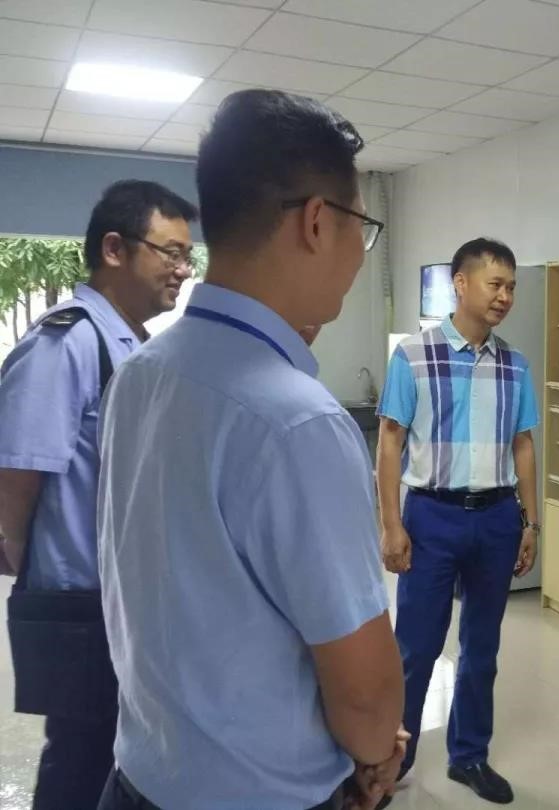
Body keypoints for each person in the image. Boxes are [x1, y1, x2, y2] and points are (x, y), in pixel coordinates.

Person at [94, 89, 403, 810]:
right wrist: (376, 753)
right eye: (361, 227)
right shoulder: (298, 421)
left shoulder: (140, 372)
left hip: (140, 777)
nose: (360, 256)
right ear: (318, 222)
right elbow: (365, 699)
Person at [0, 180, 197, 809]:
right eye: (170, 253)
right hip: (81, 602)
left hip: (120, 601)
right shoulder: (66, 342)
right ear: (114, 249)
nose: (183, 270)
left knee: (117, 754)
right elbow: (18, 475)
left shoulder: (127, 342)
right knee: (81, 761)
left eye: (187, 255)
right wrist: (32, 562)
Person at [376, 237, 540, 805]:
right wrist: (391, 524)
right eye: (496, 284)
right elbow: (390, 441)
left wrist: (531, 522)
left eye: (512, 287)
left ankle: (469, 755)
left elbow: (523, 445)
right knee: (415, 647)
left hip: (496, 518)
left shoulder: (515, 365)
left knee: (482, 648)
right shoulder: (413, 356)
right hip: (432, 516)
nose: (505, 296)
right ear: (461, 284)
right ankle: (391, 761)